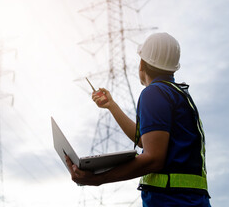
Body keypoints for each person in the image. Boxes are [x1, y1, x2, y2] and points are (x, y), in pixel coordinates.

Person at [65, 32, 211, 206]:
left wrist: (99, 178)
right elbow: (144, 141)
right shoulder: (178, 94)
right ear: (173, 68)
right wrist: (112, 105)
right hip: (190, 200)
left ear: (142, 64)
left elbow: (153, 158)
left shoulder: (154, 93)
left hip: (171, 201)